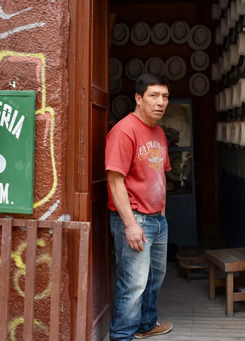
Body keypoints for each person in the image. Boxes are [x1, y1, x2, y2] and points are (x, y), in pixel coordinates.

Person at [105, 73, 173, 340]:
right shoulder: (124, 131)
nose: (161, 102)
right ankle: (121, 335)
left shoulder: (158, 132)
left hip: (157, 219)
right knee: (132, 283)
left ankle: (146, 325)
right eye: (154, 96)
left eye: (165, 97)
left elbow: (161, 173)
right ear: (138, 98)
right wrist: (130, 224)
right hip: (135, 219)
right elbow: (114, 180)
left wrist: (163, 213)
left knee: (155, 278)